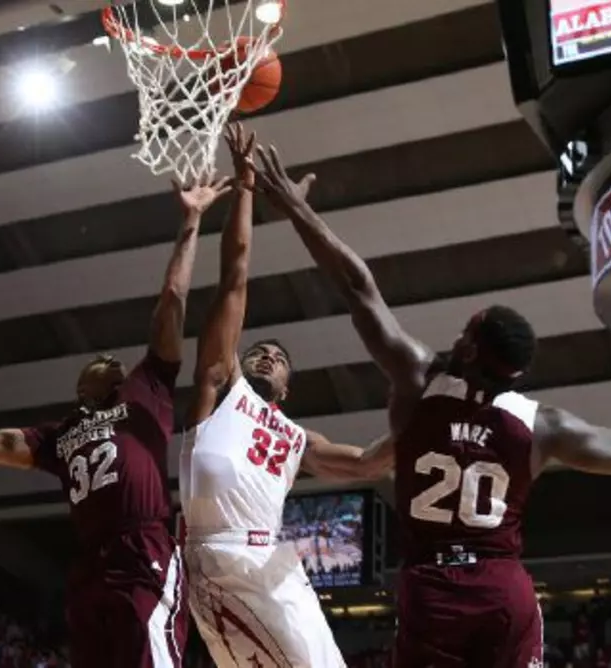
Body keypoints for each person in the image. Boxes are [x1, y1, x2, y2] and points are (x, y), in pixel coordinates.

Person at [249, 143, 611, 668]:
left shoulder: (419, 377)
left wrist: (298, 208)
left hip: (433, 590)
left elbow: (359, 287)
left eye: (466, 329)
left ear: (471, 348)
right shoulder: (541, 424)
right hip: (502, 591)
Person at [0, 171, 235, 668]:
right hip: (90, 567)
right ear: (81, 390)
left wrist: (191, 221)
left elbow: (171, 301)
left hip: (141, 549)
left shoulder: (144, 390)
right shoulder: (58, 436)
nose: (111, 360)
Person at [178, 123, 390, 668]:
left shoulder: (297, 437)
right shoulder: (221, 387)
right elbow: (235, 278)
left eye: (280, 357)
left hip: (274, 560)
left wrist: (429, 415)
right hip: (220, 555)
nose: (269, 354)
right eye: (260, 350)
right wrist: (245, 185)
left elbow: (368, 463)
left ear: (288, 387)